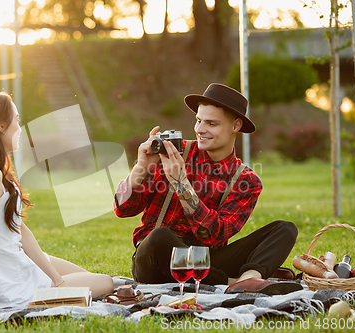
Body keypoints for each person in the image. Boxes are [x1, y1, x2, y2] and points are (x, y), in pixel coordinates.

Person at [114, 83, 301, 294]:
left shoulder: (246, 180)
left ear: (235, 126)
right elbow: (123, 209)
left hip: (206, 259)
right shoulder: (173, 151)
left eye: (211, 123)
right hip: (156, 260)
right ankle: (231, 282)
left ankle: (250, 278)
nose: (200, 130)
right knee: (159, 236)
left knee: (284, 229)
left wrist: (181, 185)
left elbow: (214, 236)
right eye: (198, 121)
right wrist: (141, 168)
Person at [0, 89, 113, 324]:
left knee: (87, 279)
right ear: (1, 125)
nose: (20, 127)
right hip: (13, 284)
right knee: (104, 283)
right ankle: (21, 299)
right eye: (16, 119)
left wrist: (57, 279)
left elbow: (19, 231)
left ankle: (46, 290)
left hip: (16, 265)